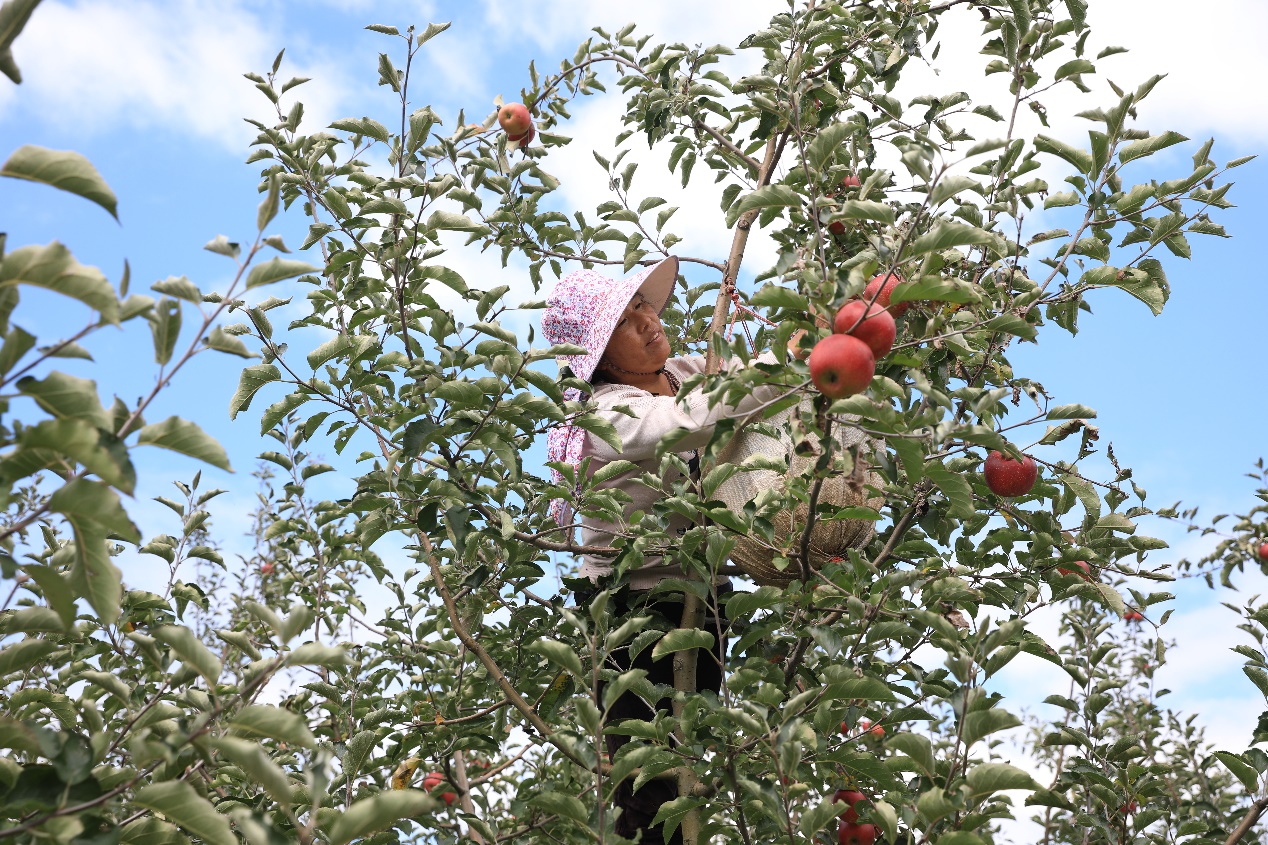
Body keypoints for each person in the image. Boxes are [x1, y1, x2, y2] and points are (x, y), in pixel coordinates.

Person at [541, 256, 788, 845]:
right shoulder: (605, 412)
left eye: (645, 306)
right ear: (600, 358)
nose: (649, 322)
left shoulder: (685, 369)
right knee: (653, 788)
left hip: (706, 596)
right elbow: (688, 423)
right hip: (632, 615)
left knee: (695, 765)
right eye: (628, 321)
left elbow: (747, 388)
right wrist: (781, 367)